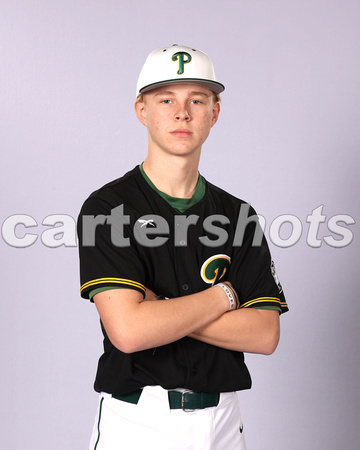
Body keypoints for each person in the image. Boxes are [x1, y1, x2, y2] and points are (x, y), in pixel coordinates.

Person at [77, 44, 288, 450]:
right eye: (166, 99)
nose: (182, 112)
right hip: (139, 420)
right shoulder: (107, 209)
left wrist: (160, 309)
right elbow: (129, 331)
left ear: (215, 112)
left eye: (197, 99)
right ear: (142, 110)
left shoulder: (238, 214)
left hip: (224, 420)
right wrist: (226, 296)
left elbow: (264, 334)